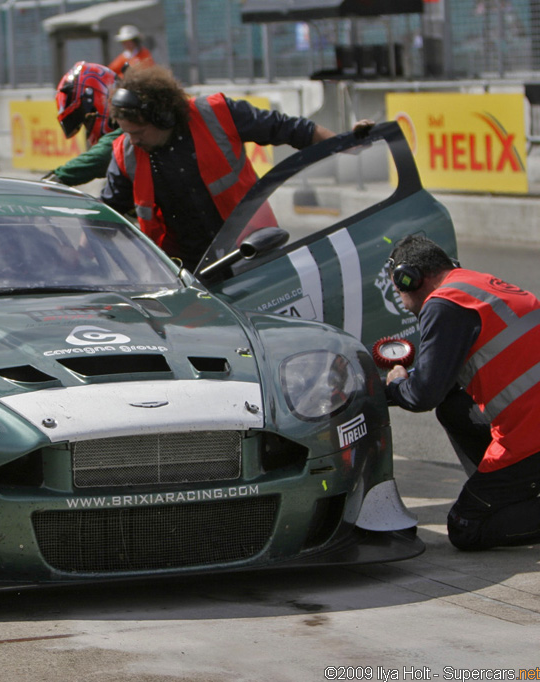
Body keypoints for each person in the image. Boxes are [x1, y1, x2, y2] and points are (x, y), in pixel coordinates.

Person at [100, 65, 369, 271]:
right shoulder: (126, 154)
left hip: (254, 258)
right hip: (188, 276)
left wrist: (347, 142)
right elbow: (103, 218)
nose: (133, 140)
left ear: (163, 116)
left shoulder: (217, 114)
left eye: (138, 132)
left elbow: (291, 129)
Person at [384, 234, 540, 551]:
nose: (401, 299)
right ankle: (510, 489)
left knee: (465, 527)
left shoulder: (444, 305)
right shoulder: (477, 286)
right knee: (454, 407)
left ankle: (508, 492)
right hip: (531, 422)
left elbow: (423, 395)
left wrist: (396, 383)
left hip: (531, 438)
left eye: (398, 289)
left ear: (409, 277)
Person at [45, 62, 120, 186]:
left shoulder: (135, 127)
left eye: (87, 120)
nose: (87, 128)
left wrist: (57, 178)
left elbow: (106, 153)